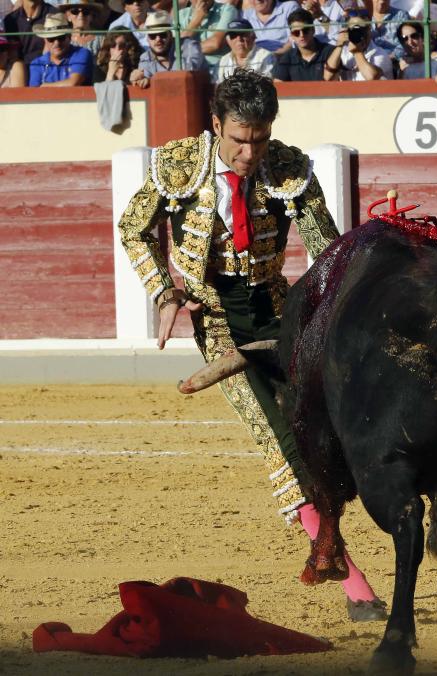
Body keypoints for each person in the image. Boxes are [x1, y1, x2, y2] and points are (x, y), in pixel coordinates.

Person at [117, 69, 388, 623]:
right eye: (239, 139)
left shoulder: (286, 168)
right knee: (281, 440)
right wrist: (164, 292)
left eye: (259, 139)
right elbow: (133, 228)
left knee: (327, 428)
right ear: (216, 125)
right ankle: (354, 585)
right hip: (217, 323)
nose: (249, 152)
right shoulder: (179, 167)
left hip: (280, 314)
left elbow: (327, 252)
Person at [130, 10, 207, 87]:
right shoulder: (145, 57)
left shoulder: (189, 46)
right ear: (147, 39)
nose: (158, 39)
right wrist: (141, 80)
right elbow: (143, 79)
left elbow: (185, 76)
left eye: (162, 34)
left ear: (170, 34)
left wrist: (152, 81)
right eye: (152, 36)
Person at [29, 12, 93, 86]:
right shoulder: (37, 63)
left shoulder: (82, 53)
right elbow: (34, 94)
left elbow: (73, 83)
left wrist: (45, 86)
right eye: (51, 39)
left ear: (69, 37)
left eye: (61, 38)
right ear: (45, 40)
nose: (57, 43)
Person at [273, 7, 337, 80]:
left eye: (305, 30)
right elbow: (278, 86)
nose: (301, 35)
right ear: (291, 35)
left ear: (313, 30)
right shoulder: (288, 57)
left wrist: (320, 16)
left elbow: (336, 33)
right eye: (296, 32)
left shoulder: (330, 52)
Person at [326, 12, 394, 79]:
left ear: (369, 29)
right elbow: (328, 77)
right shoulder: (344, 52)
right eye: (353, 30)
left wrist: (357, 52)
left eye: (360, 29)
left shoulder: (380, 54)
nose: (356, 33)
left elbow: (372, 78)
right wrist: (339, 46)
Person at [178, 0, 239, 72]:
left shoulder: (227, 10)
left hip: (217, 68)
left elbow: (215, 44)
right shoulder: (180, 15)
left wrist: (186, 49)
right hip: (188, 69)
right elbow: (176, 48)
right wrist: (195, 21)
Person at [3, 0, 57, 70]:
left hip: (46, 70)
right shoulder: (10, 20)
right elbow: (12, 54)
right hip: (19, 72)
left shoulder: (54, 15)